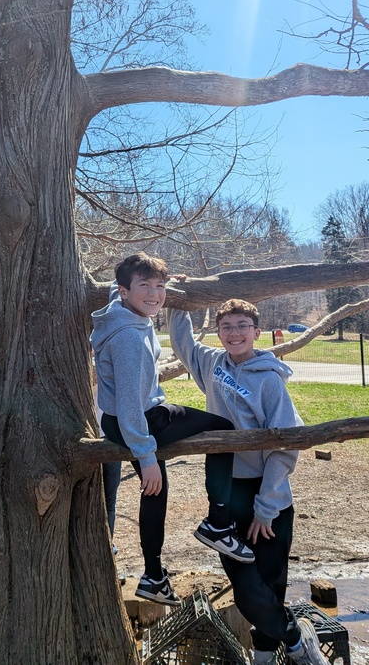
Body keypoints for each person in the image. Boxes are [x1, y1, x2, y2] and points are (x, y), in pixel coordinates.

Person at [167, 297, 329, 664]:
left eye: (242, 326)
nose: (234, 333)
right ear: (219, 332)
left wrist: (266, 509)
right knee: (245, 587)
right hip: (229, 493)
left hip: (268, 493)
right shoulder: (212, 365)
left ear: (257, 332)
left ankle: (265, 653)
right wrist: (178, 302)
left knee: (270, 581)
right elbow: (184, 344)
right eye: (227, 327)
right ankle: (294, 638)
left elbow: (286, 447)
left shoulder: (269, 381)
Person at [90, 253, 254, 607]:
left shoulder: (121, 311)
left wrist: (154, 283)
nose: (154, 294)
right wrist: (146, 455)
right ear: (124, 291)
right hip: (139, 419)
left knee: (155, 492)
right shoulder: (129, 339)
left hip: (118, 421)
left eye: (160, 287)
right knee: (222, 430)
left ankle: (153, 576)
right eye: (144, 287)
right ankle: (218, 522)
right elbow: (132, 403)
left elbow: (119, 290)